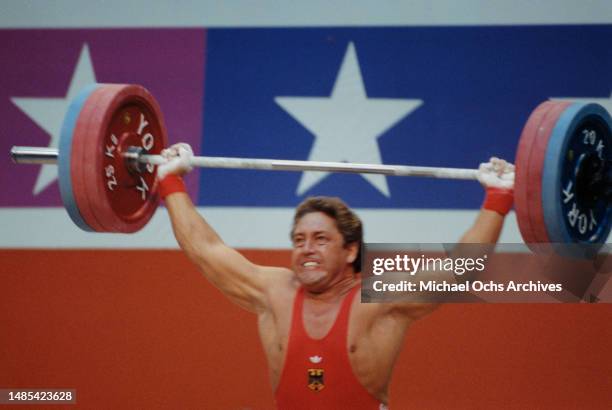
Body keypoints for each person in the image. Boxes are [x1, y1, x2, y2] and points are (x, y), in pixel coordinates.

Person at [156, 143, 515, 409]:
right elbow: (206, 251)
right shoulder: (274, 291)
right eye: (299, 240)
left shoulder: (379, 297)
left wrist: (498, 197)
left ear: (351, 250)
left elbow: (461, 268)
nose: (306, 248)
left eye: (320, 239)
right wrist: (171, 183)